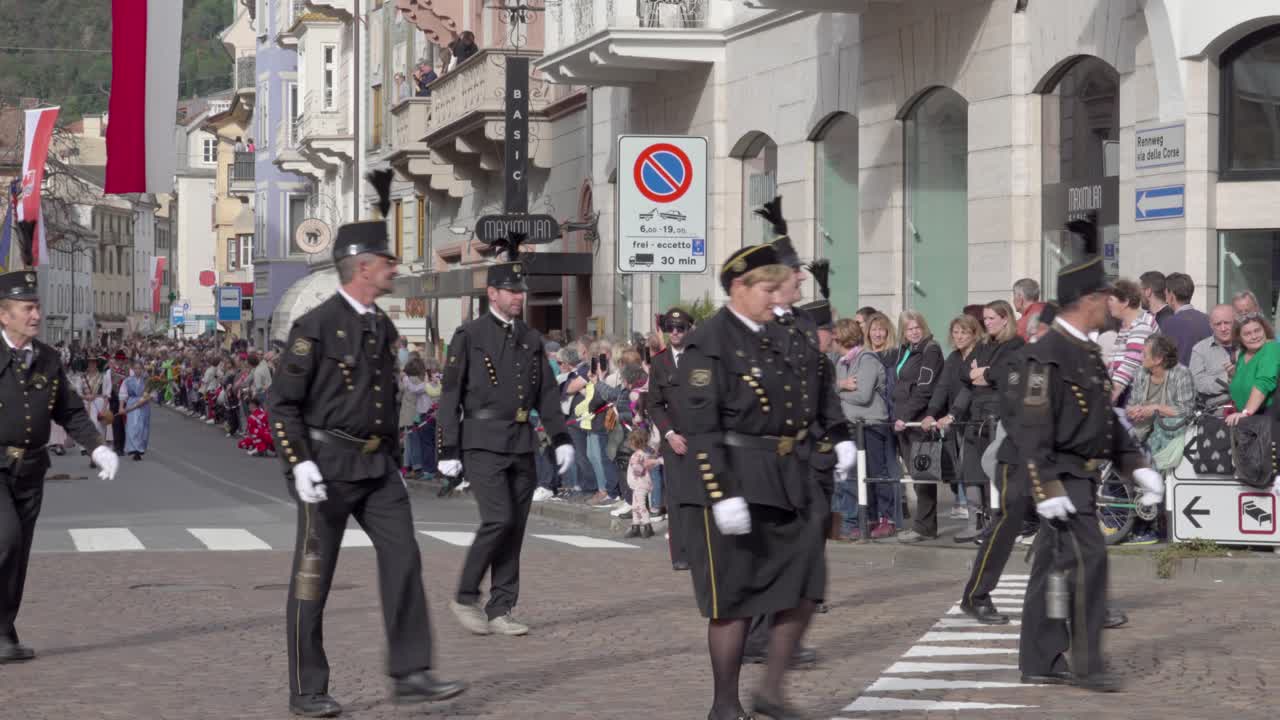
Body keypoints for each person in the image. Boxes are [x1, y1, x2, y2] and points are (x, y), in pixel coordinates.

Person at [269, 172, 466, 718]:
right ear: (362, 267)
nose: (394, 269)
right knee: (314, 577)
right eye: (387, 261)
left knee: (404, 558)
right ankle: (308, 688)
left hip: (377, 467)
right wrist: (298, 463)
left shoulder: (380, 324)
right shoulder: (315, 326)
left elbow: (381, 400)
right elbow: (281, 403)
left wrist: (395, 460)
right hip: (326, 465)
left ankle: (411, 673)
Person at [676, 241, 853, 720]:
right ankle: (725, 704)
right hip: (732, 478)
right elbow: (701, 424)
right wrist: (722, 493)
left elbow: (810, 392)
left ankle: (772, 690)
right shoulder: (709, 342)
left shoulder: (783, 336)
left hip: (786, 477)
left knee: (805, 584)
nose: (776, 295)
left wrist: (836, 436)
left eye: (779, 286)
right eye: (766, 287)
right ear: (738, 286)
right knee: (732, 600)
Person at [1008, 247, 1164, 691]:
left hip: (1082, 475)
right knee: (1088, 563)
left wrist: (1135, 466)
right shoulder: (1048, 353)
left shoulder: (1086, 352)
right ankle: (1087, 663)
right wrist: (1045, 487)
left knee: (1053, 568)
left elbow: (1101, 423)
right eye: (1106, 296)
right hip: (1062, 477)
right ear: (1088, 300)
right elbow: (1031, 427)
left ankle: (1039, 658)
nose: (1112, 305)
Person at [436, 232, 575, 638]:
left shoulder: (530, 339)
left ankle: (502, 607)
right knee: (497, 519)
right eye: (511, 291)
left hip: (520, 440)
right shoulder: (470, 336)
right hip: (481, 439)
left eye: (522, 291)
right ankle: (465, 596)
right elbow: (450, 394)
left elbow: (547, 394)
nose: (519, 297)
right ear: (492, 293)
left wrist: (561, 437)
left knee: (514, 527)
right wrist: (449, 446)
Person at [0, 271, 119, 663]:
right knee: (7, 540)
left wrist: (98, 448)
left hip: (32, 467)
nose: (36, 315)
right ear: (4, 315)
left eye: (37, 307)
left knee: (19, 553)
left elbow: (69, 410)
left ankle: (4, 631)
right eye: (27, 308)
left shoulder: (48, 358)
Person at [646, 306, 695, 571]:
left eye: (681, 328)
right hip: (673, 438)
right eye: (670, 329)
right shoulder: (660, 362)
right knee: (676, 497)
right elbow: (654, 404)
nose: (675, 333)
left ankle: (701, 549)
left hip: (699, 438)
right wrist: (670, 434)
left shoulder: (701, 359)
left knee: (700, 494)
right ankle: (681, 553)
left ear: (689, 330)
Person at [1225, 312, 1279, 425]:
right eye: (1247, 334)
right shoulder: (1243, 354)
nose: (1254, 336)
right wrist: (1233, 376)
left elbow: (1263, 382)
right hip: (1246, 420)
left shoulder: (1271, 348)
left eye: (1257, 330)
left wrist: (1246, 413)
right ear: (1239, 338)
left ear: (1265, 330)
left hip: (1266, 420)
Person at [1189, 304, 1235, 410]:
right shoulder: (1200, 349)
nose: (1223, 328)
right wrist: (1228, 379)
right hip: (1217, 411)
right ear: (1211, 325)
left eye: (1227, 323)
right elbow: (1198, 382)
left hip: (1250, 408)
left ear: (1234, 322)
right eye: (1218, 324)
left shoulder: (1246, 344)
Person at [1159, 272, 1211, 365]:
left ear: (1171, 295)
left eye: (1166, 292)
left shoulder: (1169, 323)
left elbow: (1164, 358)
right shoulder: (1208, 320)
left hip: (1180, 377)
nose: (1165, 297)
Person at [624, 428, 658, 539]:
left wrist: (636, 466)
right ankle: (635, 526)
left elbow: (638, 470)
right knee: (635, 505)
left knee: (641, 505)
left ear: (633, 443)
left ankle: (648, 526)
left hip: (639, 483)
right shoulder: (649, 452)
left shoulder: (636, 456)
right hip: (644, 483)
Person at [119, 360, 151, 461]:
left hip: (143, 405)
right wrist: (121, 407)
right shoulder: (127, 380)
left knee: (142, 428)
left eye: (139, 368)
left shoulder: (147, 381)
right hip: (131, 402)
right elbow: (122, 394)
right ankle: (133, 449)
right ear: (133, 369)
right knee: (132, 427)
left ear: (142, 369)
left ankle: (140, 449)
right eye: (135, 368)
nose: (137, 370)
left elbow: (150, 394)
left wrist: (145, 399)